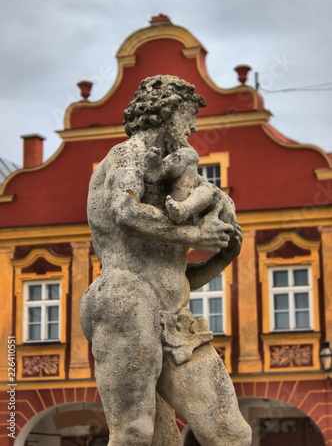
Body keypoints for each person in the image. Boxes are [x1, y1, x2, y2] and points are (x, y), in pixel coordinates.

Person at [80, 75, 252, 446]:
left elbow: (176, 277)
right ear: (167, 111)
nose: (191, 127)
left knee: (231, 433)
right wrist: (195, 236)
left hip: (176, 318)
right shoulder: (128, 154)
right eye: (188, 117)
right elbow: (125, 210)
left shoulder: (175, 170)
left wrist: (223, 257)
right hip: (126, 301)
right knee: (135, 433)